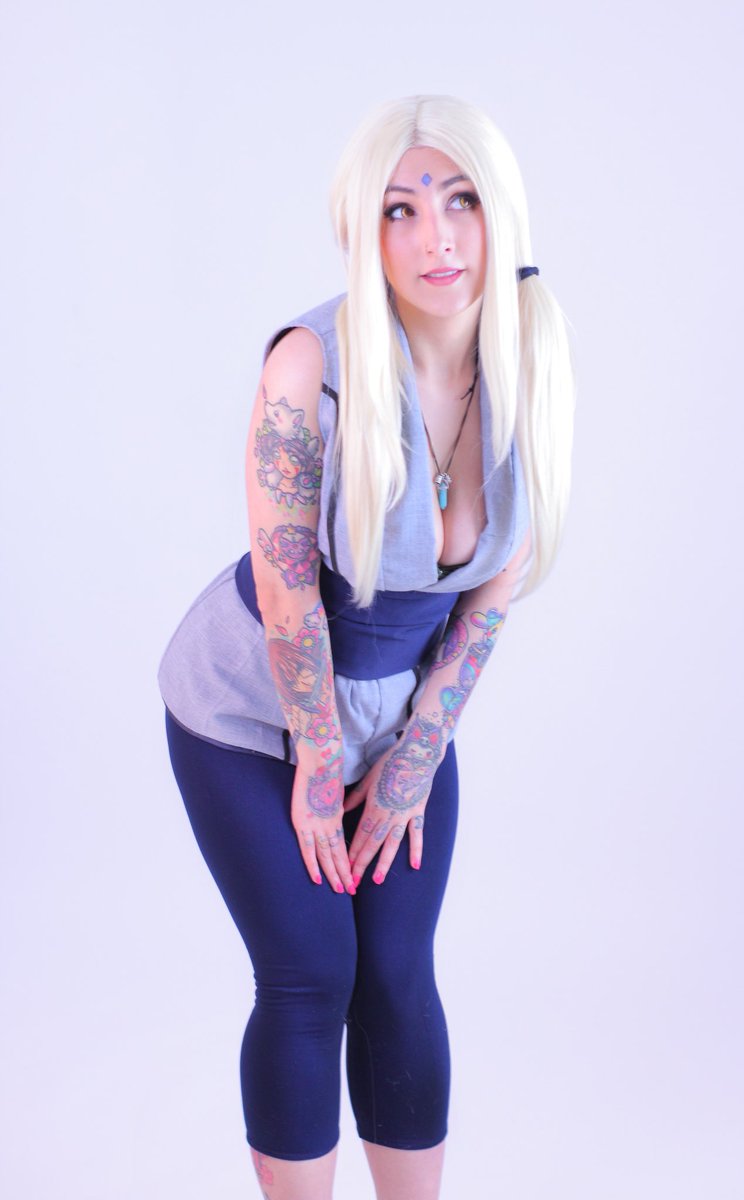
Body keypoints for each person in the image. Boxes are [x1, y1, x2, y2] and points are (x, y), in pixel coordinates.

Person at [158, 93, 574, 1200]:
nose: (436, 238)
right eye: (400, 210)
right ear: (362, 228)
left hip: (397, 709)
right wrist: (316, 761)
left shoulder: (533, 353)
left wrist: (415, 753)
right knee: (311, 973)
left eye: (461, 201)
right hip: (254, 708)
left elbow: (495, 579)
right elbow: (288, 593)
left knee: (394, 972)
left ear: (500, 210)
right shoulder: (311, 363)